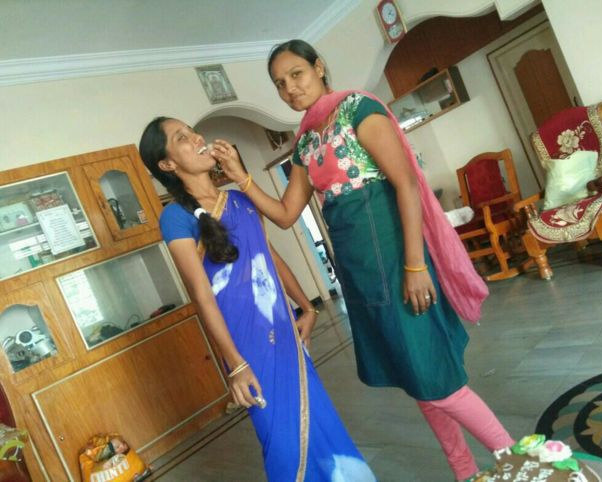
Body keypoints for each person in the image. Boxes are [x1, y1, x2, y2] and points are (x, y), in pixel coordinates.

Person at [212, 39, 515, 482]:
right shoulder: (305, 142)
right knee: (417, 378)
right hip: (360, 273)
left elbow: (405, 184)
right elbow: (285, 214)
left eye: (296, 74)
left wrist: (415, 265)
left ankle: (518, 458)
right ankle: (464, 471)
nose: (290, 88)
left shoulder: (358, 110)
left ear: (319, 67)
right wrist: (242, 177)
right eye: (280, 84)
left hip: (397, 261)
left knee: (437, 377)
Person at [138, 117, 376, 482]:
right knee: (281, 442)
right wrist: (235, 365)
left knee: (318, 419)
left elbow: (270, 257)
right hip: (246, 346)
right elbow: (201, 294)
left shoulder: (238, 199)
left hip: (283, 330)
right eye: (182, 137)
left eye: (193, 130)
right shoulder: (175, 217)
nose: (197, 138)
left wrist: (307, 307)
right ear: (167, 164)